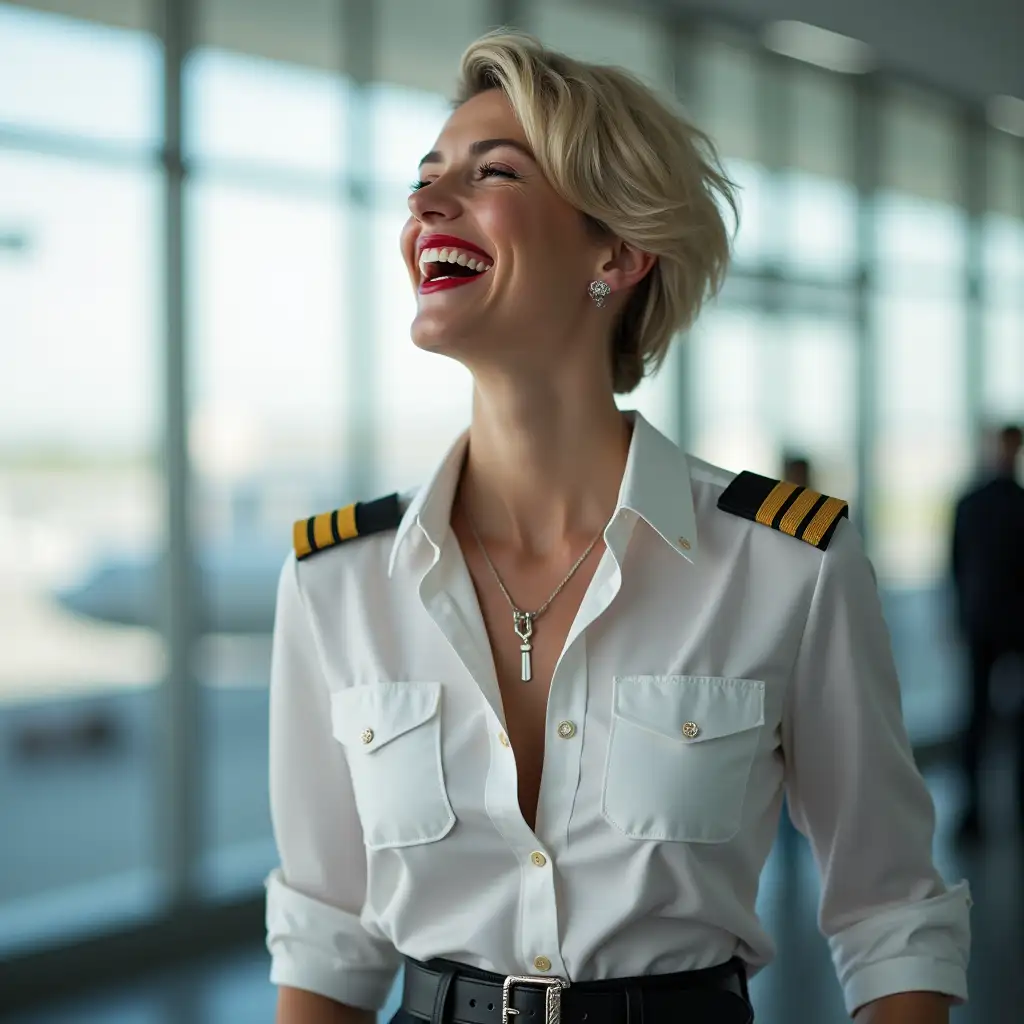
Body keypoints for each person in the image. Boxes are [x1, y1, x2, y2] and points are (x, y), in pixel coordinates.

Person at [265, 32, 970, 1024]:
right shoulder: (336, 580)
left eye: (491, 172)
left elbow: (889, 912)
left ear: (616, 252)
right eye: (424, 179)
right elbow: (328, 935)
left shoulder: (782, 564)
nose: (425, 205)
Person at [952, 424, 1024, 841]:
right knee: (977, 717)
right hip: (984, 622)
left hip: (1003, 622)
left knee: (994, 717)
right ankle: (974, 810)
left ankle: (998, 809)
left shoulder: (977, 503)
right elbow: (957, 567)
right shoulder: (972, 503)